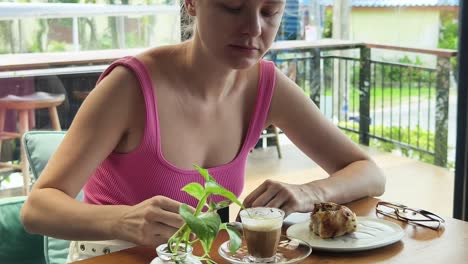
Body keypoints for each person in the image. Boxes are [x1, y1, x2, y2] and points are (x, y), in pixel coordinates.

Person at [21, 0, 385, 262]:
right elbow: (37, 209)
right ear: (191, 3)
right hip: (114, 254)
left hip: (201, 255)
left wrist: (308, 192)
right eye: (232, 7)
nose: (254, 29)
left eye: (269, 11)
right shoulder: (128, 87)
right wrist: (124, 220)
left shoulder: (267, 86)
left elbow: (369, 173)